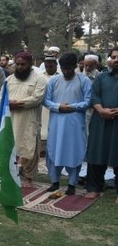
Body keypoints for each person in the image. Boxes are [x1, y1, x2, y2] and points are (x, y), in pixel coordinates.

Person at [43, 52, 92, 196]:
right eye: (63, 69)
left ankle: (72, 183)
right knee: (54, 151)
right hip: (57, 122)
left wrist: (71, 107)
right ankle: (55, 182)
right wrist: (59, 107)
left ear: (75, 66)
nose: (66, 72)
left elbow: (88, 101)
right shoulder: (54, 81)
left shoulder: (84, 81)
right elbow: (46, 100)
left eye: (69, 69)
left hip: (75, 124)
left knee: (73, 151)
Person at [1, 51, 47, 187]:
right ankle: (10, 174)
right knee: (10, 147)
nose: (20, 67)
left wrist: (19, 103)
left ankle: (28, 177)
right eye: (18, 64)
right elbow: (0, 96)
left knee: (29, 148)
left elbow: (37, 98)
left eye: (23, 64)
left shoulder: (39, 79)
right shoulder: (9, 80)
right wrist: (9, 103)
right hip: (11, 119)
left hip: (29, 119)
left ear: (30, 64)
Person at [85, 47, 118, 199]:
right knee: (96, 153)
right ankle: (94, 188)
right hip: (100, 121)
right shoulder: (101, 77)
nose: (116, 59)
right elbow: (94, 96)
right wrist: (101, 110)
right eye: (114, 57)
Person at [39, 56, 60, 156]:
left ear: (56, 65)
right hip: (42, 108)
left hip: (56, 106)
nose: (48, 68)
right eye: (46, 66)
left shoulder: (60, 76)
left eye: (51, 66)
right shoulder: (39, 76)